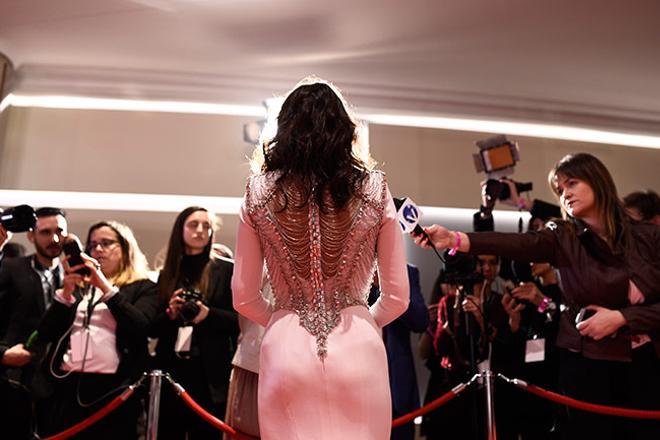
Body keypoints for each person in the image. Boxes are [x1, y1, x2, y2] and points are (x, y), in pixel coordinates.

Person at [414, 152, 660, 440]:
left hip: (641, 363)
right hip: (586, 363)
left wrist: (621, 318)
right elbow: (516, 243)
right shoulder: (562, 235)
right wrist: (455, 239)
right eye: (560, 189)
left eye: (572, 183)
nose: (565, 194)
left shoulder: (648, 237)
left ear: (597, 181)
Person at [232, 77, 410, 440]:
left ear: (285, 128)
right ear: (345, 129)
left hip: (284, 348)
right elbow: (397, 298)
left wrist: (284, 317)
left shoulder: (258, 191)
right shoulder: (375, 188)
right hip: (359, 344)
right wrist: (361, 318)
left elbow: (243, 296)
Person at [36, 221, 159, 439]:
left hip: (113, 388)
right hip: (67, 383)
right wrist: (66, 291)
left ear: (125, 248)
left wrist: (104, 286)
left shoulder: (143, 287)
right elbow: (44, 333)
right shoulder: (79, 288)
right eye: (92, 245)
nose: (98, 250)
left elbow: (140, 327)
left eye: (106, 243)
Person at [150, 206, 238, 440]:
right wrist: (171, 311)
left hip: (210, 374)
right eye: (193, 224)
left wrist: (208, 315)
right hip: (172, 371)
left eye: (206, 225)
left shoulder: (226, 269)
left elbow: (239, 322)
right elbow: (151, 327)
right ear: (180, 229)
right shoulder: (168, 272)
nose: (200, 230)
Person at [0, 207, 67, 439]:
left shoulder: (76, 275)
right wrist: (2, 353)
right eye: (45, 232)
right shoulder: (12, 268)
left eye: (59, 231)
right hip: (15, 376)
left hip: (60, 378)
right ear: (31, 236)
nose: (54, 239)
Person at [368, 264, 428, 440]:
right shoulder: (349, 270)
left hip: (398, 386)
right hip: (359, 386)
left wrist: (387, 289)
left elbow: (420, 321)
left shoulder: (406, 272)